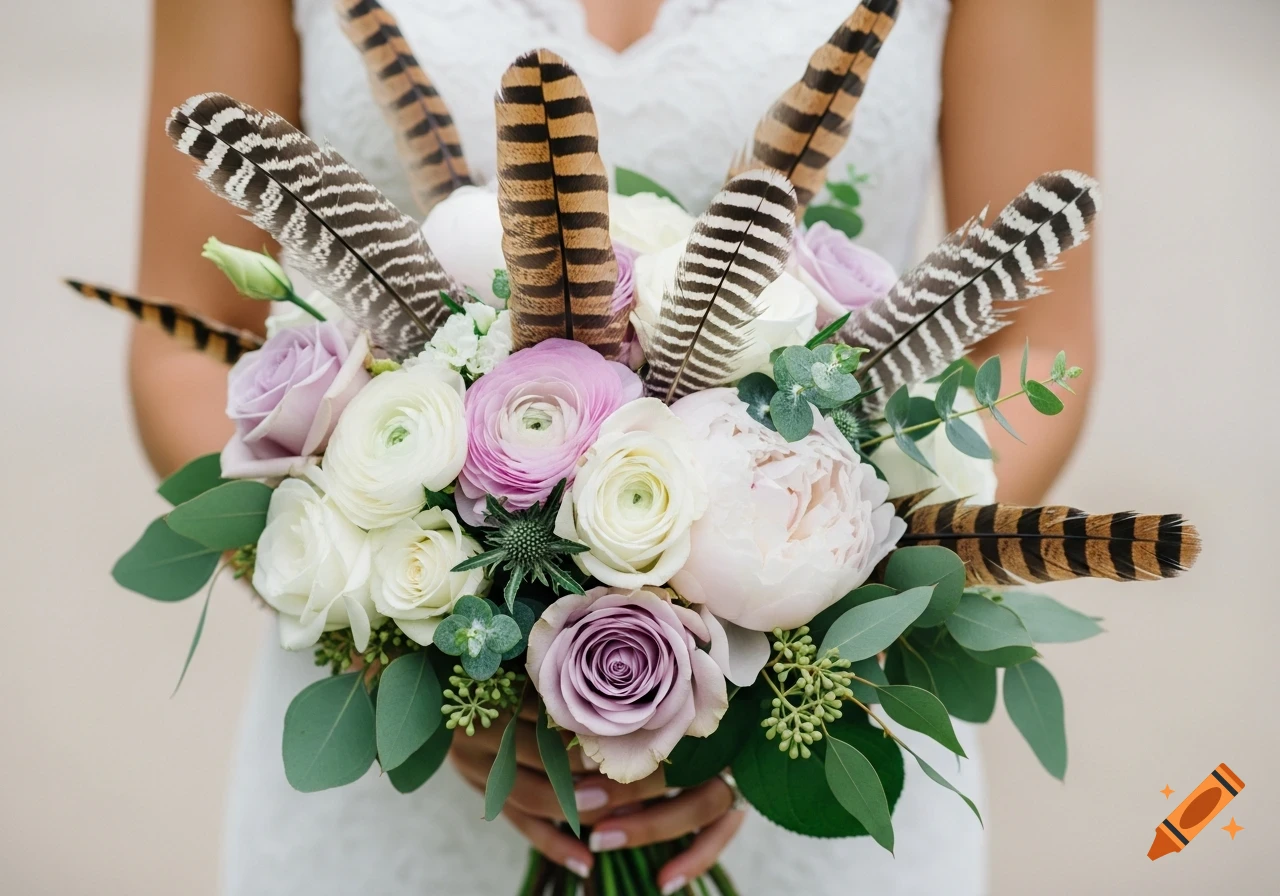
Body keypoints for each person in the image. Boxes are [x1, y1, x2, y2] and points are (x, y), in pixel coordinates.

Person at [132, 1, 1095, 893]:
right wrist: (413, 660)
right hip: (394, 782)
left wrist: (814, 612)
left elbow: (1042, 345)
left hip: (815, 760)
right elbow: (183, 331)